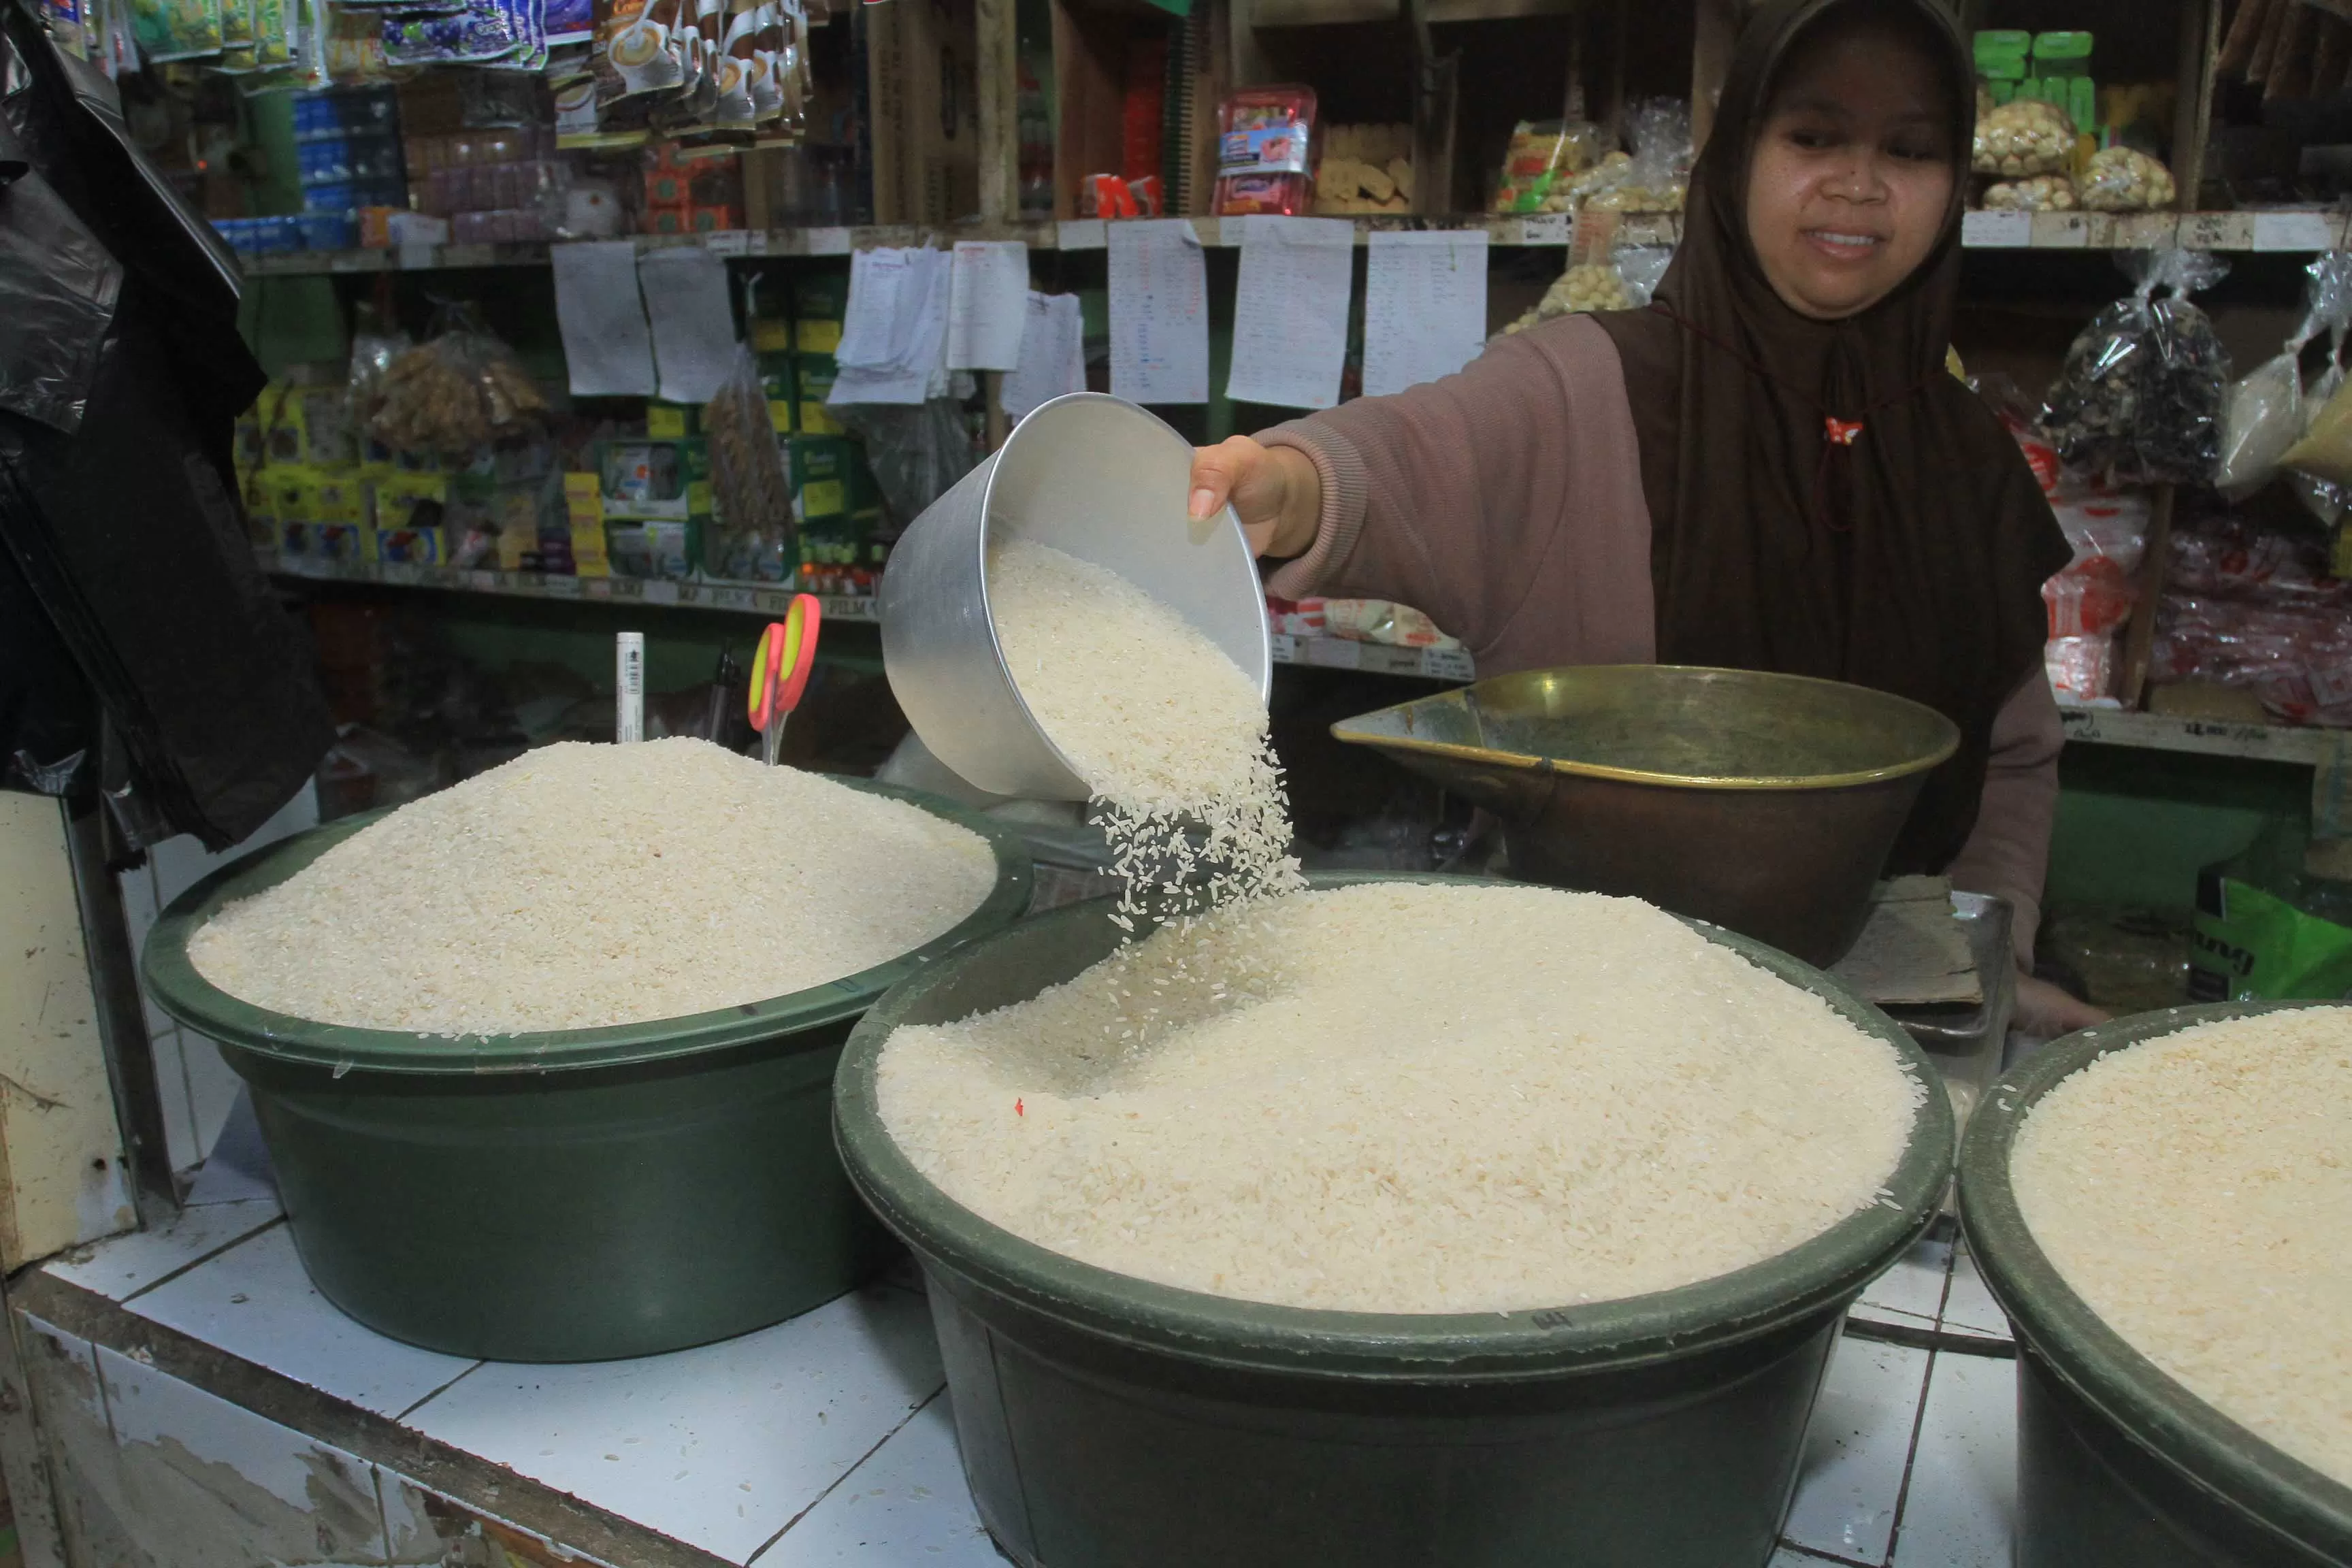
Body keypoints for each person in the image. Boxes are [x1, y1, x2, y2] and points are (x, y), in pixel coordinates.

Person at [1188, 0, 2104, 1035]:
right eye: (1813, 136)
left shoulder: (1963, 453)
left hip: (1881, 1030)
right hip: (1581, 1022)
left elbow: (2015, 751)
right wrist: (1285, 481)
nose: (1859, 182)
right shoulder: (1587, 390)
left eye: (1911, 148)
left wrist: (1991, 954)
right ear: (1739, 150)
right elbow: (1402, 458)